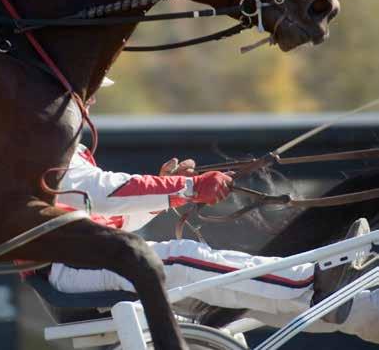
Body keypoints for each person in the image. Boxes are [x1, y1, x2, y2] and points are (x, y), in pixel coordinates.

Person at [38, 77, 378, 338]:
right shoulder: (49, 144)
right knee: (179, 257)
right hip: (71, 269)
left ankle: (362, 314)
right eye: (89, 89)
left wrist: (169, 196)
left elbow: (112, 216)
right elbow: (99, 190)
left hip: (88, 263)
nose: (93, 99)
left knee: (246, 293)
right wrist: (188, 187)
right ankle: (314, 282)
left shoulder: (66, 147)